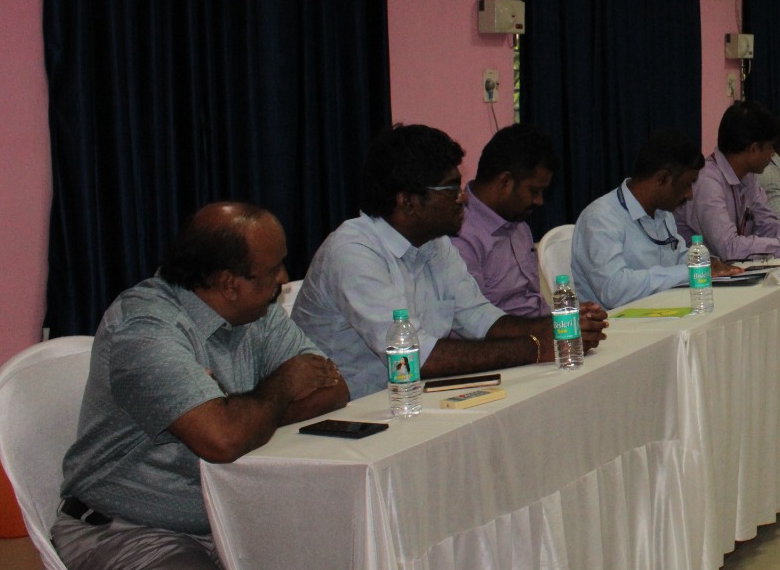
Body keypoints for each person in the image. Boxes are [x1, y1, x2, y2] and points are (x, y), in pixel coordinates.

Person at [54, 203, 348, 570]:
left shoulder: (256, 313)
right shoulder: (145, 327)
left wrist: (240, 411)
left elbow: (332, 389)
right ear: (229, 283)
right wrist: (273, 391)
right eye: (273, 269)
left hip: (224, 515)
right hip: (125, 531)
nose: (284, 279)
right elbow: (221, 440)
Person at [294, 124, 602, 400]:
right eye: (451, 188)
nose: (464, 198)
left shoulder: (435, 242)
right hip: (348, 413)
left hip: (409, 401)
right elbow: (415, 357)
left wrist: (558, 327)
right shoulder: (353, 252)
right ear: (407, 200)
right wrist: (535, 347)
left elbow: (480, 318)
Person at [453, 122, 608, 329]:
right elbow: (474, 324)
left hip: (542, 333)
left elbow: (530, 307)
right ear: (505, 182)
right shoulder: (459, 233)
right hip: (508, 344)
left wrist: (566, 317)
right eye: (534, 191)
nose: (539, 201)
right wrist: (551, 327)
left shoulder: (519, 225)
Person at [571, 129, 741, 310]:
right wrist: (692, 272)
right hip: (617, 323)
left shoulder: (663, 214)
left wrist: (708, 264)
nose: (689, 195)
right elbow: (614, 290)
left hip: (663, 313)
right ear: (662, 178)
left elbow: (679, 258)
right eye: (687, 184)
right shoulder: (600, 218)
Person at [676, 100, 780, 259]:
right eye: (770, 147)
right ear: (754, 149)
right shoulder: (707, 182)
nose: (772, 155)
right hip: (699, 272)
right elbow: (730, 248)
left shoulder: (748, 176)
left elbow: (768, 227)